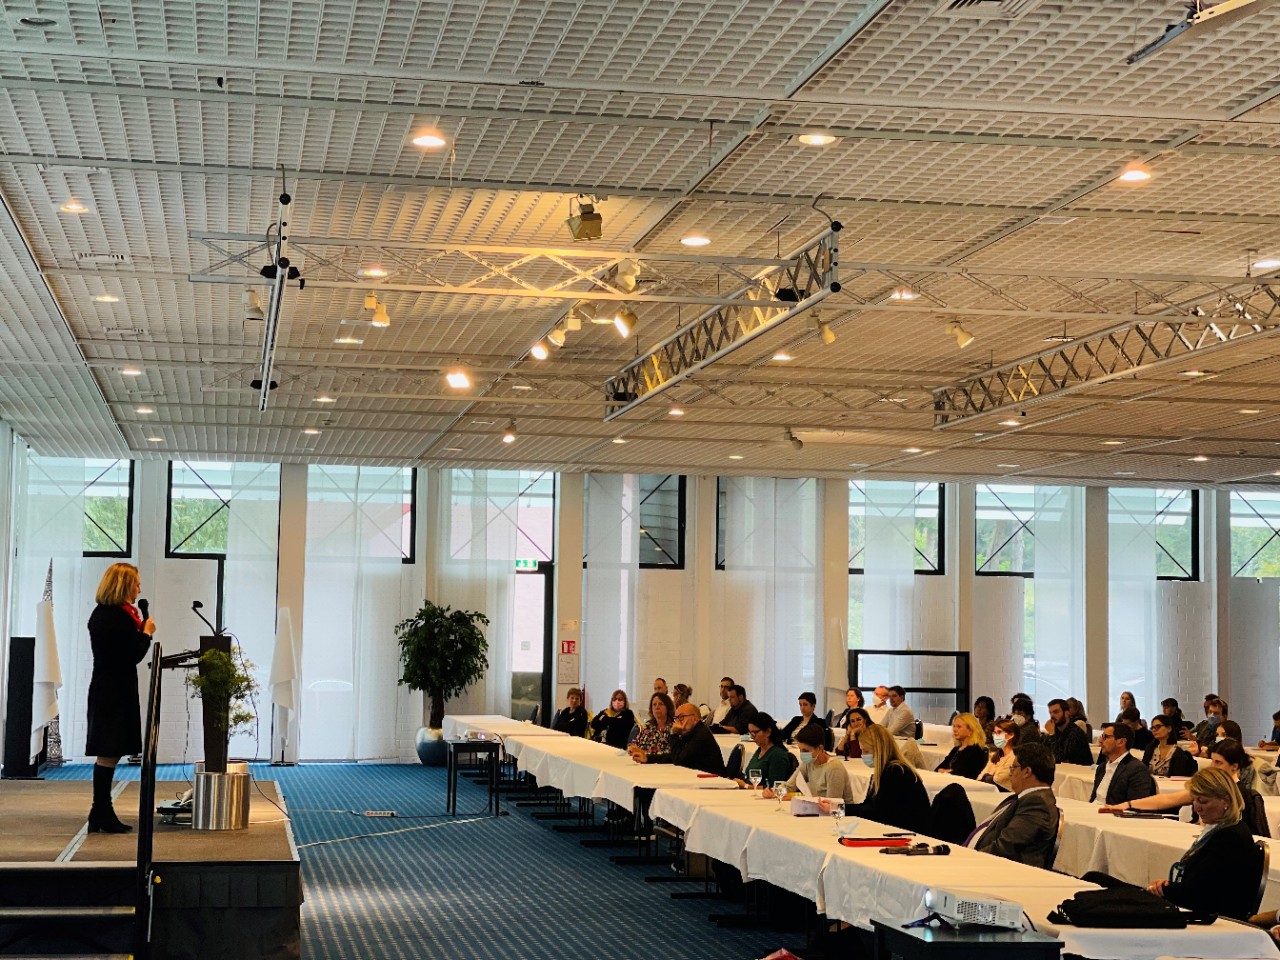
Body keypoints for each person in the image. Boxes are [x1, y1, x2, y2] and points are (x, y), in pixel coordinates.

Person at [1094, 769, 1262, 921]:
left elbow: (1198, 895)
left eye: (1203, 801)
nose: (1197, 808)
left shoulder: (1229, 839)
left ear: (1225, 801)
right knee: (1097, 878)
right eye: (1194, 800)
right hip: (1193, 907)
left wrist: (1164, 890)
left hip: (1200, 916)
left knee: (1096, 879)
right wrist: (1168, 887)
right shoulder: (1227, 831)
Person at [85, 562, 156, 833]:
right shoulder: (112, 617)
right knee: (109, 751)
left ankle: (100, 811)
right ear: (125, 585)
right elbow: (132, 655)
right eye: (136, 583)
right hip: (110, 691)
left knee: (110, 752)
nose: (139, 588)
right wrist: (146, 634)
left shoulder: (113, 615)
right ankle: (101, 811)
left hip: (114, 688)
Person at [1102, 738, 1270, 838]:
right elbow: (1168, 799)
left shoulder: (1243, 795)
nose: (1212, 766)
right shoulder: (1210, 786)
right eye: (1212, 761)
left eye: (1218, 763)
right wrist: (1127, 805)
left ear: (1234, 766)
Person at [971, 743, 1060, 869]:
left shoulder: (1038, 804)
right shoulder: (1026, 797)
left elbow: (1005, 846)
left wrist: (969, 858)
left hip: (1000, 870)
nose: (1010, 773)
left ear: (1027, 772)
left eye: (1013, 768)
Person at [829, 724, 929, 833]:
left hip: (909, 832)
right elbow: (868, 806)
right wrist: (836, 808)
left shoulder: (896, 772)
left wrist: (837, 809)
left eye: (866, 751)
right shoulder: (884, 771)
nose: (863, 755)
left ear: (879, 750)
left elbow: (877, 812)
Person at [631, 703, 724, 776]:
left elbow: (679, 761)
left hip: (714, 780)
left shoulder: (701, 735)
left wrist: (674, 734)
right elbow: (674, 756)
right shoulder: (691, 732)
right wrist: (648, 758)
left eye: (681, 717)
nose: (677, 722)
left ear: (695, 719)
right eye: (676, 718)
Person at [767, 724, 852, 802]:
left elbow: (832, 803)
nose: (802, 754)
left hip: (840, 815)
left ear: (820, 748)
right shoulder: (809, 762)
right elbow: (789, 786)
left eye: (805, 750)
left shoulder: (834, 768)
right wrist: (774, 792)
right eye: (800, 750)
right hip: (816, 809)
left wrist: (801, 798)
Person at [1089, 722, 1157, 805]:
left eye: (1105, 737)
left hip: (1112, 815)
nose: (1100, 741)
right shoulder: (1102, 767)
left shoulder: (1137, 769)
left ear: (1121, 742)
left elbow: (1135, 807)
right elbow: (1093, 799)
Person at [735, 712, 793, 789]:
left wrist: (746, 786)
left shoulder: (777, 755)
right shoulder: (760, 749)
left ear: (768, 732)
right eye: (750, 733)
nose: (752, 737)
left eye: (755, 732)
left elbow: (774, 788)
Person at [1142, 714, 1198, 779]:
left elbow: (1177, 778)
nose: (1154, 730)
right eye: (1152, 728)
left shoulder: (1178, 753)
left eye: (1158, 726)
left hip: (1169, 787)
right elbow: (1142, 771)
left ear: (1169, 729)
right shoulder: (1150, 749)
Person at [936, 712, 987, 779]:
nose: (955, 729)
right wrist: (946, 771)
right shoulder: (956, 749)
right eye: (954, 726)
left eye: (959, 727)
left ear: (970, 731)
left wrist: (946, 772)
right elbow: (938, 769)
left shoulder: (976, 750)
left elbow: (966, 773)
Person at [1044, 698, 1092, 765]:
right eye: (1050, 713)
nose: (1052, 716)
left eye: (1056, 712)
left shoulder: (1076, 732)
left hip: (1080, 772)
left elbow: (1059, 758)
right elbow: (1043, 754)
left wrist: (1052, 734)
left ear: (1067, 713)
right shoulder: (1057, 731)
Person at [978, 718, 1020, 791]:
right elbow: (981, 775)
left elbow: (999, 779)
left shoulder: (1014, 757)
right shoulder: (995, 755)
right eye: (994, 732)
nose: (995, 736)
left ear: (1011, 735)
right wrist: (987, 777)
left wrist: (987, 777)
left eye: (999, 732)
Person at [630, 692, 676, 759]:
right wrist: (632, 748)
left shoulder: (674, 728)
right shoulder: (648, 727)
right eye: (654, 705)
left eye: (661, 704)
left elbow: (669, 754)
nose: (657, 707)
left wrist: (644, 754)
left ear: (668, 707)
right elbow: (635, 744)